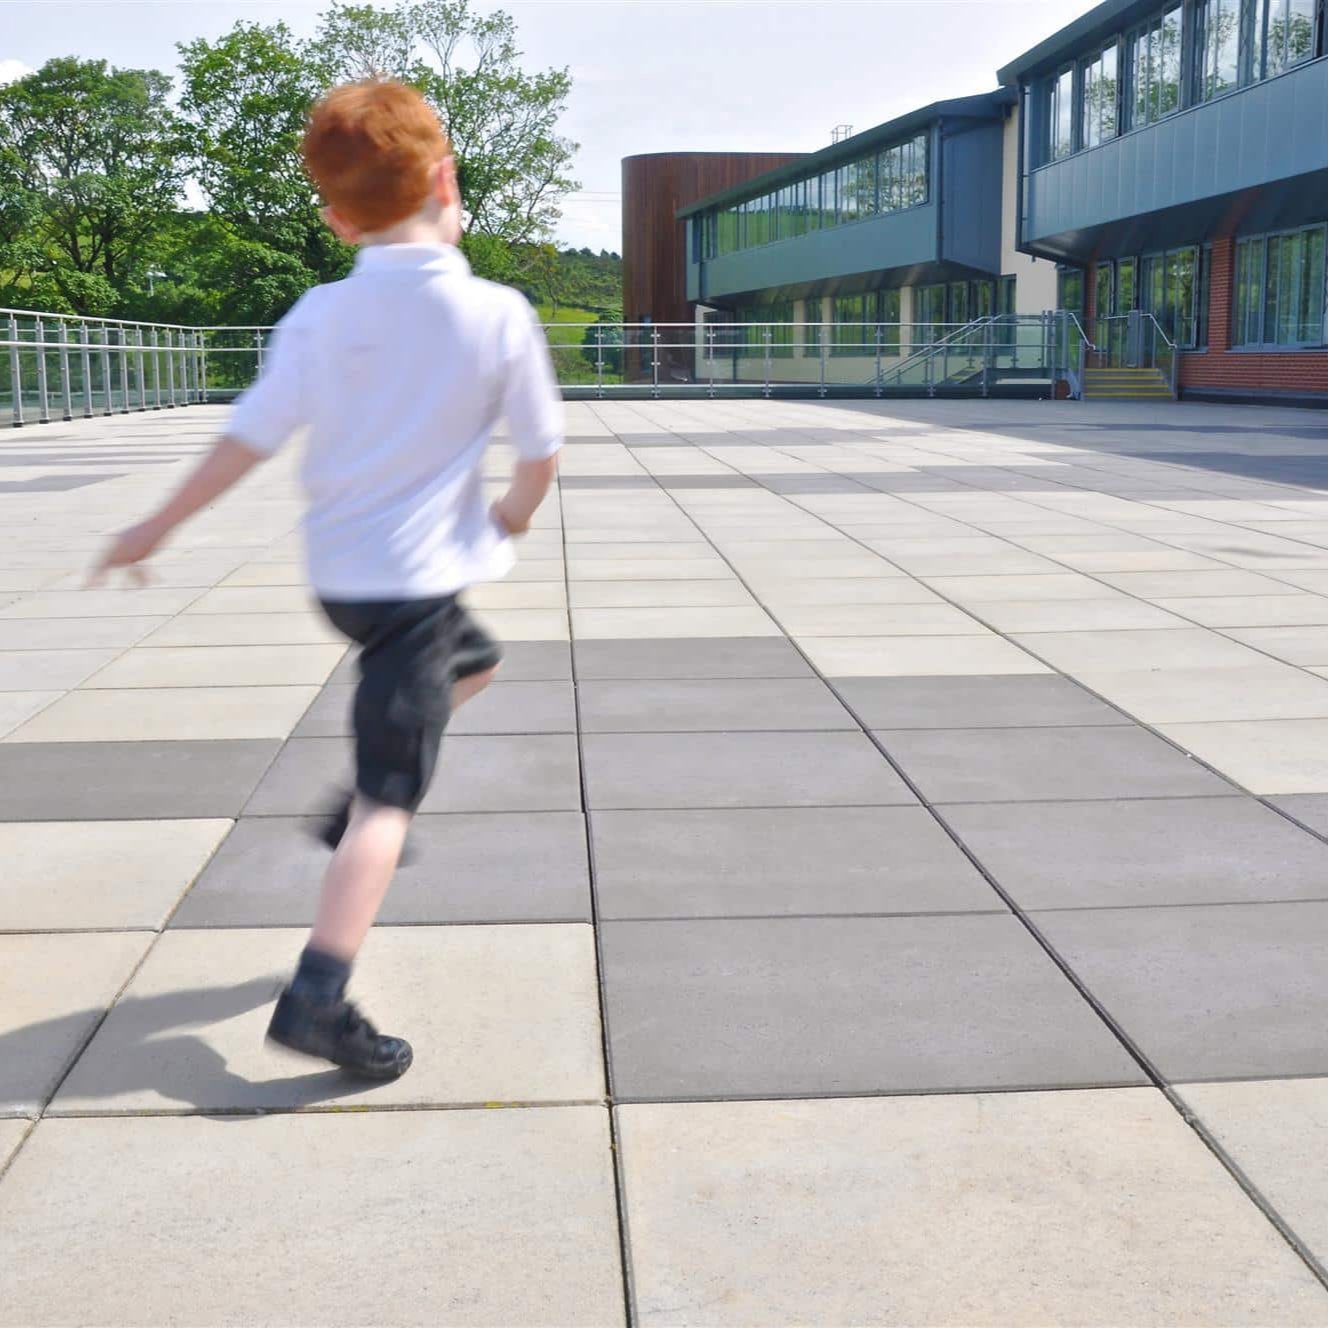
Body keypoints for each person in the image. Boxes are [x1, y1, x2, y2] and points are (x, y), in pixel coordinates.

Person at [91, 79, 563, 1081]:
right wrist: (511, 517)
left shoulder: (317, 311)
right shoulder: (496, 312)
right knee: (393, 797)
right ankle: (320, 992)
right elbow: (539, 454)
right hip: (414, 590)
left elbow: (247, 438)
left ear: (336, 216)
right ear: (445, 179)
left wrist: (154, 525)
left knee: (473, 662)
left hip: (345, 583)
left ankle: (355, 804)